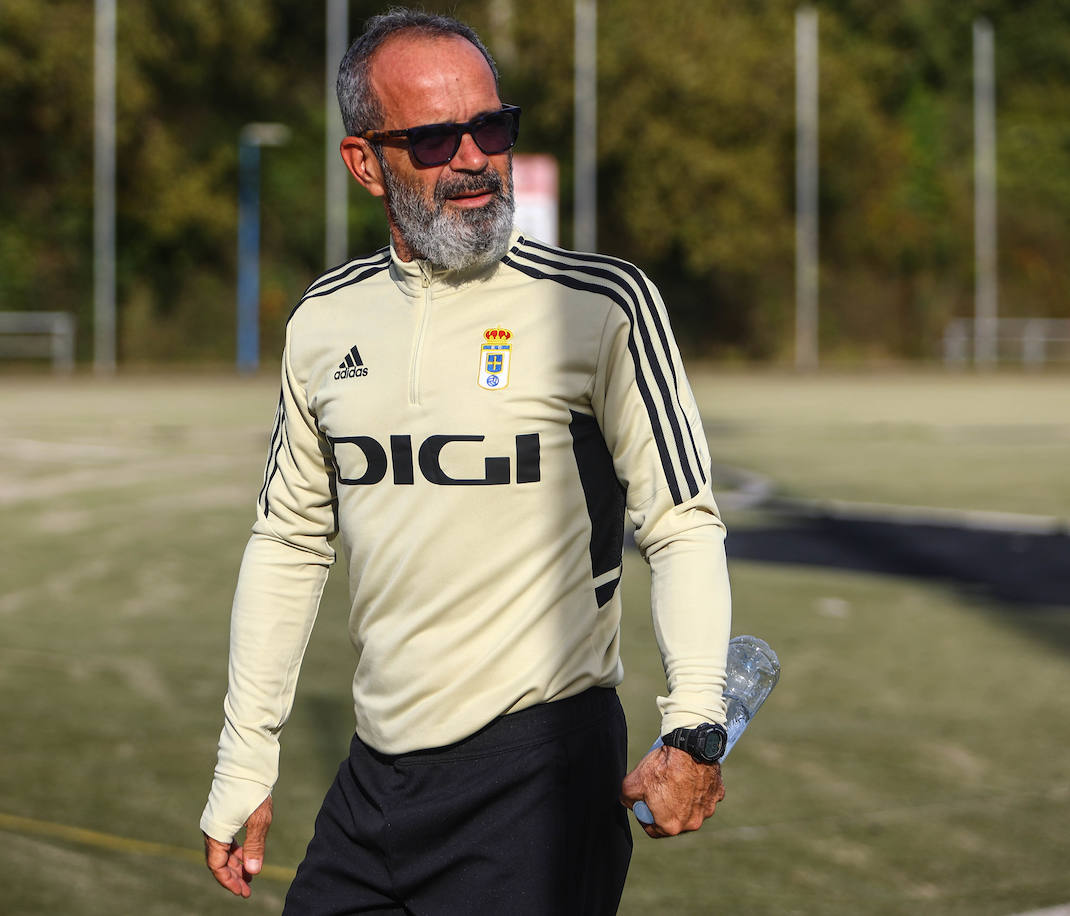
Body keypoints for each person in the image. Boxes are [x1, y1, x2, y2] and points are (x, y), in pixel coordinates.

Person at [201, 9, 731, 913]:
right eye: (436, 138)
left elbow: (680, 522)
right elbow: (289, 541)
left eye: (491, 128)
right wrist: (245, 757)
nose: (474, 159)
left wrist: (694, 725)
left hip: (542, 776)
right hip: (376, 780)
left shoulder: (601, 305)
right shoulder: (324, 321)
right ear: (365, 163)